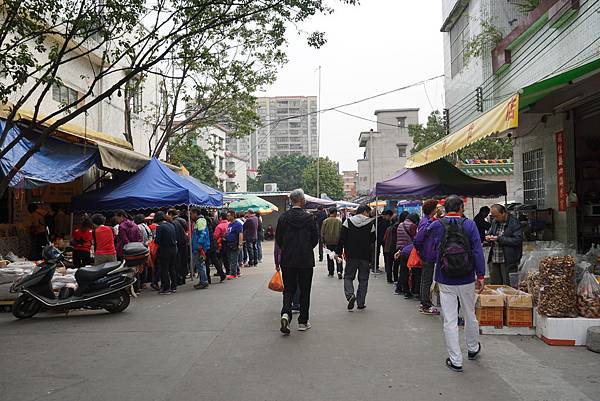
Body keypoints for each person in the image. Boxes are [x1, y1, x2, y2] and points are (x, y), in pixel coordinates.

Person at [426, 195, 485, 372]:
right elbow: (477, 251)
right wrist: (480, 275)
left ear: (445, 208)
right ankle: (473, 348)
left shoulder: (437, 225)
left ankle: (456, 359)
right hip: (467, 277)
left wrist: (436, 218)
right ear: (460, 208)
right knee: (469, 312)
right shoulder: (470, 224)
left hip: (445, 277)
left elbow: (422, 237)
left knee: (450, 319)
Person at [276, 189, 319, 334]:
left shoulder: (283, 218)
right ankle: (303, 321)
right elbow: (315, 239)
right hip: (305, 260)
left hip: (288, 259)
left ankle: (285, 314)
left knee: (288, 289)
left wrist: (287, 249)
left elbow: (279, 239)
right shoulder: (309, 218)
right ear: (302, 200)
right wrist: (306, 248)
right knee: (305, 290)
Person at [338, 204, 376, 311]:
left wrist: (339, 252)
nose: (369, 215)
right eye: (368, 212)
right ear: (364, 211)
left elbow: (342, 238)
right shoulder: (370, 223)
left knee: (348, 277)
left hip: (351, 255)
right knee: (363, 279)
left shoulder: (348, 222)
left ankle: (350, 295)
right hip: (365, 255)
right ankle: (361, 303)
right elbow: (373, 239)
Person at [413, 199, 441, 315]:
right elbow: (418, 240)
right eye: (436, 207)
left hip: (428, 254)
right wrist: (422, 251)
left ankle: (424, 303)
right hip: (428, 255)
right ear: (432, 209)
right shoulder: (426, 223)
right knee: (426, 280)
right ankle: (425, 304)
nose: (437, 209)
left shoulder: (427, 221)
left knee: (426, 279)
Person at [486, 204, 523, 286]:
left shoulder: (514, 223)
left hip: (508, 260)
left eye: (497, 216)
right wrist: (488, 237)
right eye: (493, 217)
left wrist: (499, 239)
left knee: (508, 286)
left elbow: (518, 240)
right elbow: (490, 232)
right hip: (495, 258)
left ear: (503, 213)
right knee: (495, 285)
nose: (495, 219)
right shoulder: (495, 222)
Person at [394, 213, 419, 298]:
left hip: (401, 249)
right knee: (414, 270)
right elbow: (416, 239)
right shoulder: (412, 226)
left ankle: (405, 290)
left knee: (403, 271)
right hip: (410, 250)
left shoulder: (400, 224)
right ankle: (414, 290)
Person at [154, 211, 178, 295]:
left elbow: (157, 241)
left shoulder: (160, 227)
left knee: (164, 270)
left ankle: (166, 288)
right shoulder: (171, 225)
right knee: (172, 269)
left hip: (164, 251)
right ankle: (174, 286)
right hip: (173, 249)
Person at [191, 208, 211, 289]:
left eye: (191, 213)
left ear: (195, 213)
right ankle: (202, 281)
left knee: (200, 265)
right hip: (198, 247)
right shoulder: (199, 221)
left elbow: (202, 234)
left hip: (199, 247)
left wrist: (199, 245)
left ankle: (204, 281)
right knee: (200, 265)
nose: (191, 216)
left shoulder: (200, 221)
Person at [321, 207, 343, 279]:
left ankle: (331, 272)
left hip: (328, 242)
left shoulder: (325, 221)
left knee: (330, 257)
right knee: (338, 256)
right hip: (337, 242)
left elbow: (322, 232)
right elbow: (341, 232)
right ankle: (339, 271)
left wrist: (323, 241)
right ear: (335, 213)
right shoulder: (339, 221)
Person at [225, 210, 244, 279]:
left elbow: (240, 234)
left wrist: (240, 244)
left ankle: (233, 274)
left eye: (228, 215)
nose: (227, 217)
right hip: (229, 244)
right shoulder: (229, 224)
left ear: (233, 216)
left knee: (233, 259)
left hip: (235, 244)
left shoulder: (238, 224)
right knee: (231, 259)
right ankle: (238, 271)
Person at [383, 216, 399, 283]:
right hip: (394, 248)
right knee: (396, 264)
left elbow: (384, 238)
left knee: (389, 265)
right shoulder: (397, 228)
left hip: (387, 248)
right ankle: (395, 278)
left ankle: (389, 279)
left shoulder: (388, 228)